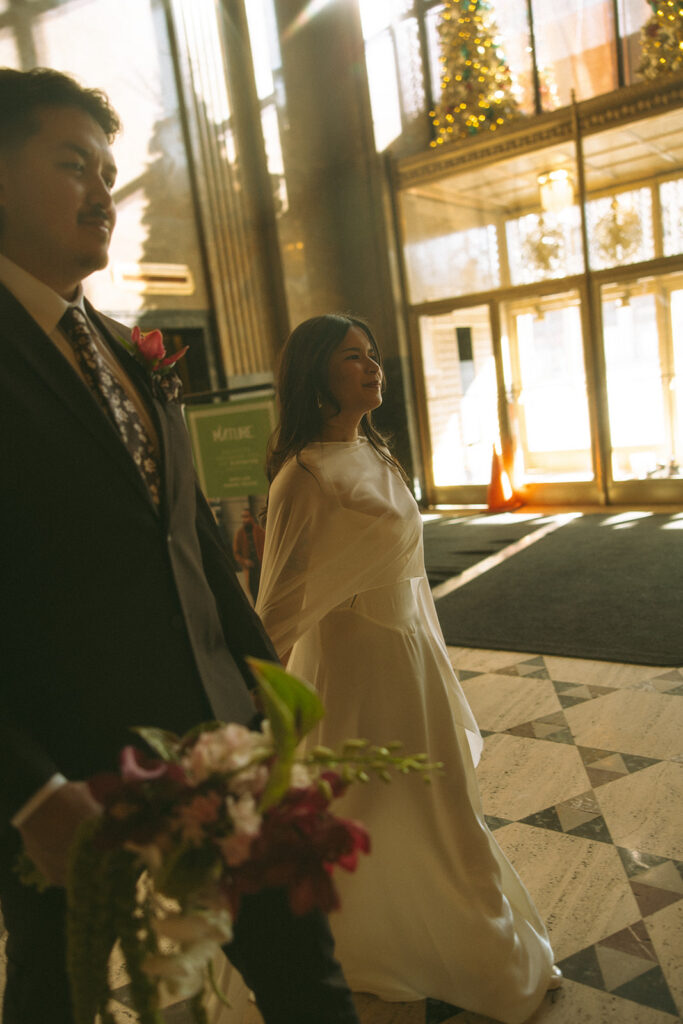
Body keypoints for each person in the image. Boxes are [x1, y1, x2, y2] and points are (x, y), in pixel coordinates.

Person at [0, 68, 360, 1024]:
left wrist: (269, 697)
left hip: (217, 747)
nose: (103, 191)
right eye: (72, 163)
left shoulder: (123, 350)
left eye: (109, 170)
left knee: (306, 977)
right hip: (66, 779)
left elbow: (193, 544)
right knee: (57, 994)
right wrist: (28, 790)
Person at [255, 313, 562, 1024]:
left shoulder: (376, 452)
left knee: (442, 802)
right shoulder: (302, 477)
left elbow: (412, 579)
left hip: (407, 659)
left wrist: (434, 657)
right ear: (315, 377)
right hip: (354, 672)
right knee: (373, 809)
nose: (372, 368)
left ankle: (470, 946)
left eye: (372, 356)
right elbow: (277, 605)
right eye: (351, 359)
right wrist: (249, 696)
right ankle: (378, 948)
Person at [233, 506, 266, 601]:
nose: (244, 519)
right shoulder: (239, 534)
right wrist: (244, 561)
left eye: (246, 516)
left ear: (252, 517)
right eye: (243, 517)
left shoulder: (260, 531)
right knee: (254, 595)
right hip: (250, 570)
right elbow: (236, 553)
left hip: (261, 567)